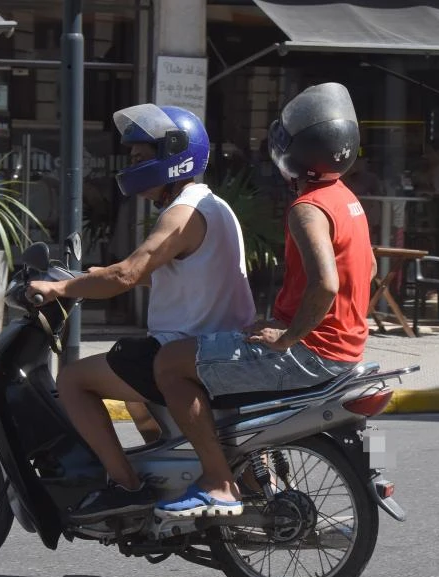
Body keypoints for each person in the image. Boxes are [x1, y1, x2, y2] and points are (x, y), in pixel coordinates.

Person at [149, 82, 377, 518]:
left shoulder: (307, 208)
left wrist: (289, 334)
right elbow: (365, 271)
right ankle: (250, 471)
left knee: (170, 363)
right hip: (344, 349)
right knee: (230, 344)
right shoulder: (347, 200)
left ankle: (217, 482)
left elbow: (326, 283)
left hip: (312, 354)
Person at [26, 104, 256, 522]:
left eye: (139, 158)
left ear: (173, 153)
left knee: (75, 379)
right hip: (216, 342)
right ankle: (163, 472)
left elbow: (128, 274)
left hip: (189, 349)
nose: (131, 165)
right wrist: (93, 276)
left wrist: (60, 287)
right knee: (130, 388)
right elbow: (188, 275)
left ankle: (125, 487)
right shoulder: (209, 204)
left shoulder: (182, 213)